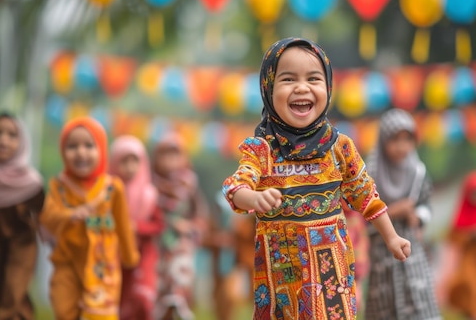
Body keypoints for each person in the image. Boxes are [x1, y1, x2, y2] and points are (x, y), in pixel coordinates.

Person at [221, 37, 411, 320]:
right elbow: (235, 186)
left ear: (328, 88)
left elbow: (366, 195)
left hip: (330, 270)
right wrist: (255, 198)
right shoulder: (261, 150)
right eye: (287, 79)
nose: (302, 87)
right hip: (281, 273)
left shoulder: (340, 147)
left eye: (313, 78)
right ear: (268, 88)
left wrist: (392, 237)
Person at [39, 117, 139, 320]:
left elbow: (123, 226)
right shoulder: (59, 186)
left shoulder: (112, 187)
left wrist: (129, 257)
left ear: (101, 150)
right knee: (63, 308)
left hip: (103, 265)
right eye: (72, 146)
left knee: (100, 314)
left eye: (89, 145)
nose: (81, 152)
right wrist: (70, 215)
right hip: (66, 262)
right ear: (63, 151)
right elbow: (47, 217)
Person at [364, 109, 440, 320]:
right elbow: (361, 212)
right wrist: (396, 210)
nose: (401, 147)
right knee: (384, 304)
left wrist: (418, 216)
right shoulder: (370, 173)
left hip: (411, 248)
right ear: (383, 140)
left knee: (418, 300)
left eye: (407, 140)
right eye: (395, 140)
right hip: (381, 250)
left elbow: (425, 204)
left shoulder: (417, 171)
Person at [0, 112, 45, 320]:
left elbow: (46, 216)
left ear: (22, 142)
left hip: (23, 244)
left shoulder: (31, 183)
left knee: (14, 290)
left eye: (12, 135)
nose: (3, 140)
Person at [151, 133, 209, 320]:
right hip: (157, 240)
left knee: (180, 281)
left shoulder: (189, 183)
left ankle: (179, 308)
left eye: (175, 155)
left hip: (181, 244)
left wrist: (191, 226)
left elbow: (200, 212)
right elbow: (147, 210)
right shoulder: (151, 184)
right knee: (158, 287)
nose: (171, 160)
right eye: (165, 155)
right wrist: (166, 222)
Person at [109, 135, 164, 320]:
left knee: (142, 297)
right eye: (124, 161)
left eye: (135, 160)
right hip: (113, 254)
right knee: (118, 301)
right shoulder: (107, 192)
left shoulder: (148, 194)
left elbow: (158, 225)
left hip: (143, 254)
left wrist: (136, 227)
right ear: (114, 162)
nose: (130, 167)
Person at [435, 171, 476, 320]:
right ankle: (472, 313)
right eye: (473, 193)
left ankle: (473, 313)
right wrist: (470, 235)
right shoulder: (462, 211)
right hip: (468, 258)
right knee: (469, 283)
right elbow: (453, 236)